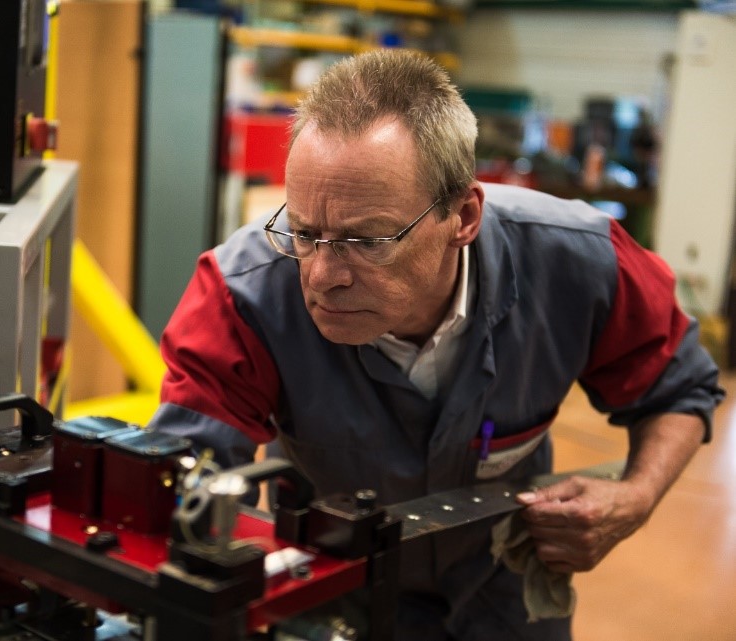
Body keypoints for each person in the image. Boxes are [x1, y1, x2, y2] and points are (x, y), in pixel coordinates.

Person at [148, 50, 724, 639]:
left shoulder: (580, 263)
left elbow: (679, 387)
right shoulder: (241, 296)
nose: (321, 276)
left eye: (367, 240)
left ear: (464, 216)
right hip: (332, 582)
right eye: (303, 232)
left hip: (505, 582)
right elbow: (173, 491)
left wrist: (636, 497)